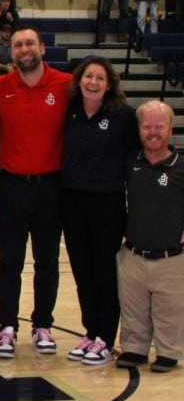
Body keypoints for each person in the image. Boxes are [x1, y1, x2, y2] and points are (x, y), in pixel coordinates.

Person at [0, 26, 73, 358]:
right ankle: (6, 327)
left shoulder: (65, 84)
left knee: (47, 260)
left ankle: (43, 325)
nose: (24, 49)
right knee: (9, 261)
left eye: (29, 43)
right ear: (11, 52)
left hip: (51, 186)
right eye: (18, 45)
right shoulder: (1, 85)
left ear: (42, 47)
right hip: (12, 185)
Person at [61, 57, 138, 366]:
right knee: (82, 271)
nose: (93, 82)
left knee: (104, 273)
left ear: (109, 85)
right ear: (79, 80)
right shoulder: (71, 111)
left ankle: (105, 337)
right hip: (72, 201)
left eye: (100, 78)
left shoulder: (123, 115)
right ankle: (91, 332)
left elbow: (135, 158)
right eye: (88, 76)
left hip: (107, 203)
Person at [116, 101, 184, 373]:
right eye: (147, 127)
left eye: (159, 126)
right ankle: (134, 348)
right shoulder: (130, 162)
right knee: (133, 309)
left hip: (171, 257)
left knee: (170, 309)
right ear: (139, 129)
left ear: (170, 129)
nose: (153, 132)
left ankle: (168, 352)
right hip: (133, 253)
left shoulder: (180, 166)